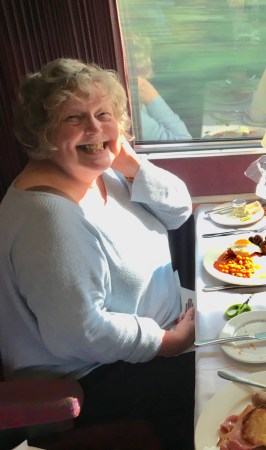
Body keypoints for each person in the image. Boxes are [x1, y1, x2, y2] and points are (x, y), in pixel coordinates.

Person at [0, 58, 195, 449]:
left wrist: (131, 164)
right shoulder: (48, 219)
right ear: (43, 132)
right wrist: (169, 343)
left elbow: (178, 210)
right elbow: (81, 333)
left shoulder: (102, 172)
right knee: (220, 376)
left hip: (154, 336)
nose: (94, 128)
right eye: (74, 118)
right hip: (91, 377)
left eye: (104, 114)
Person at [128, 34, 193, 141]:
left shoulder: (136, 100)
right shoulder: (132, 114)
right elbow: (183, 140)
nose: (150, 62)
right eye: (143, 59)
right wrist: (153, 99)